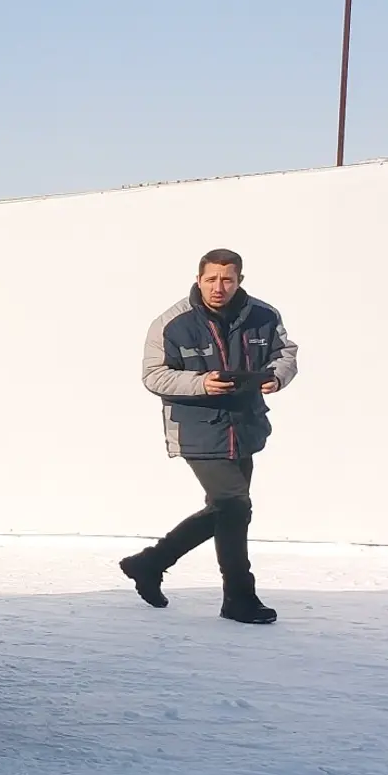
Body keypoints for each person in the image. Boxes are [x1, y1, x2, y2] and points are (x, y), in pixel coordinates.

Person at [120, 248, 297, 623]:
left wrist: (277, 376)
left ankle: (150, 564)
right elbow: (154, 375)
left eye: (228, 279)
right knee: (235, 506)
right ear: (199, 278)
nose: (219, 287)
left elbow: (286, 353)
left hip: (245, 427)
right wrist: (202, 383)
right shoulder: (172, 323)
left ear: (240, 280)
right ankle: (239, 596)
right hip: (198, 429)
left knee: (229, 511)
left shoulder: (264, 315)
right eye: (212, 279)